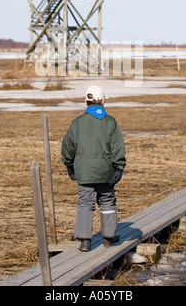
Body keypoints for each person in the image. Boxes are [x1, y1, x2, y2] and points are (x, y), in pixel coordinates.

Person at [61, 85, 126, 252]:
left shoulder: (77, 123)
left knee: (85, 203)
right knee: (107, 201)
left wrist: (70, 166)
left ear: (85, 102)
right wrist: (119, 168)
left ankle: (84, 240)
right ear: (103, 101)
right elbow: (118, 147)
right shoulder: (110, 122)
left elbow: (68, 147)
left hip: (84, 171)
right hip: (106, 171)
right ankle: (110, 237)